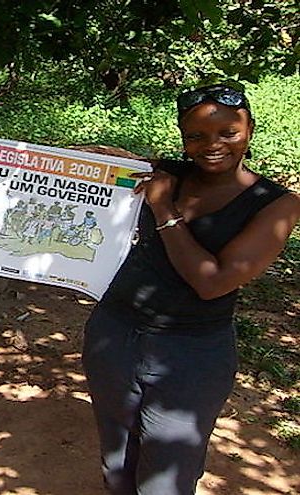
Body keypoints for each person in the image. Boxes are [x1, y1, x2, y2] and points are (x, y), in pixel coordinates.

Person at [82, 84, 300, 494]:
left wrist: (164, 210)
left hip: (191, 355)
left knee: (167, 478)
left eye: (227, 133)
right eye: (196, 136)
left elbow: (213, 282)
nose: (211, 145)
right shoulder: (166, 174)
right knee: (117, 464)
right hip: (114, 333)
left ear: (249, 129)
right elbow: (71, 166)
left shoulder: (276, 205)